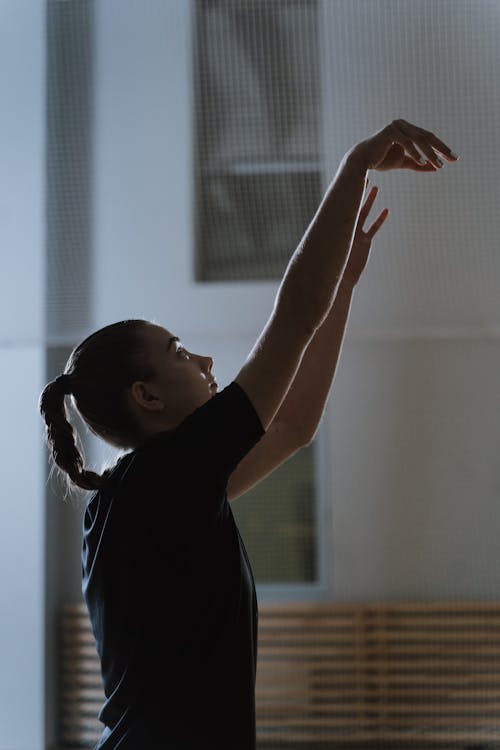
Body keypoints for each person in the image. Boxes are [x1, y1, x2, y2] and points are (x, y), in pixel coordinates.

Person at [38, 119, 458, 749]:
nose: (205, 363)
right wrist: (356, 162)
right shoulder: (162, 478)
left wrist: (341, 286)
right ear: (146, 396)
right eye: (179, 352)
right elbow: (292, 319)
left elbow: (292, 425)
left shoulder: (155, 494)